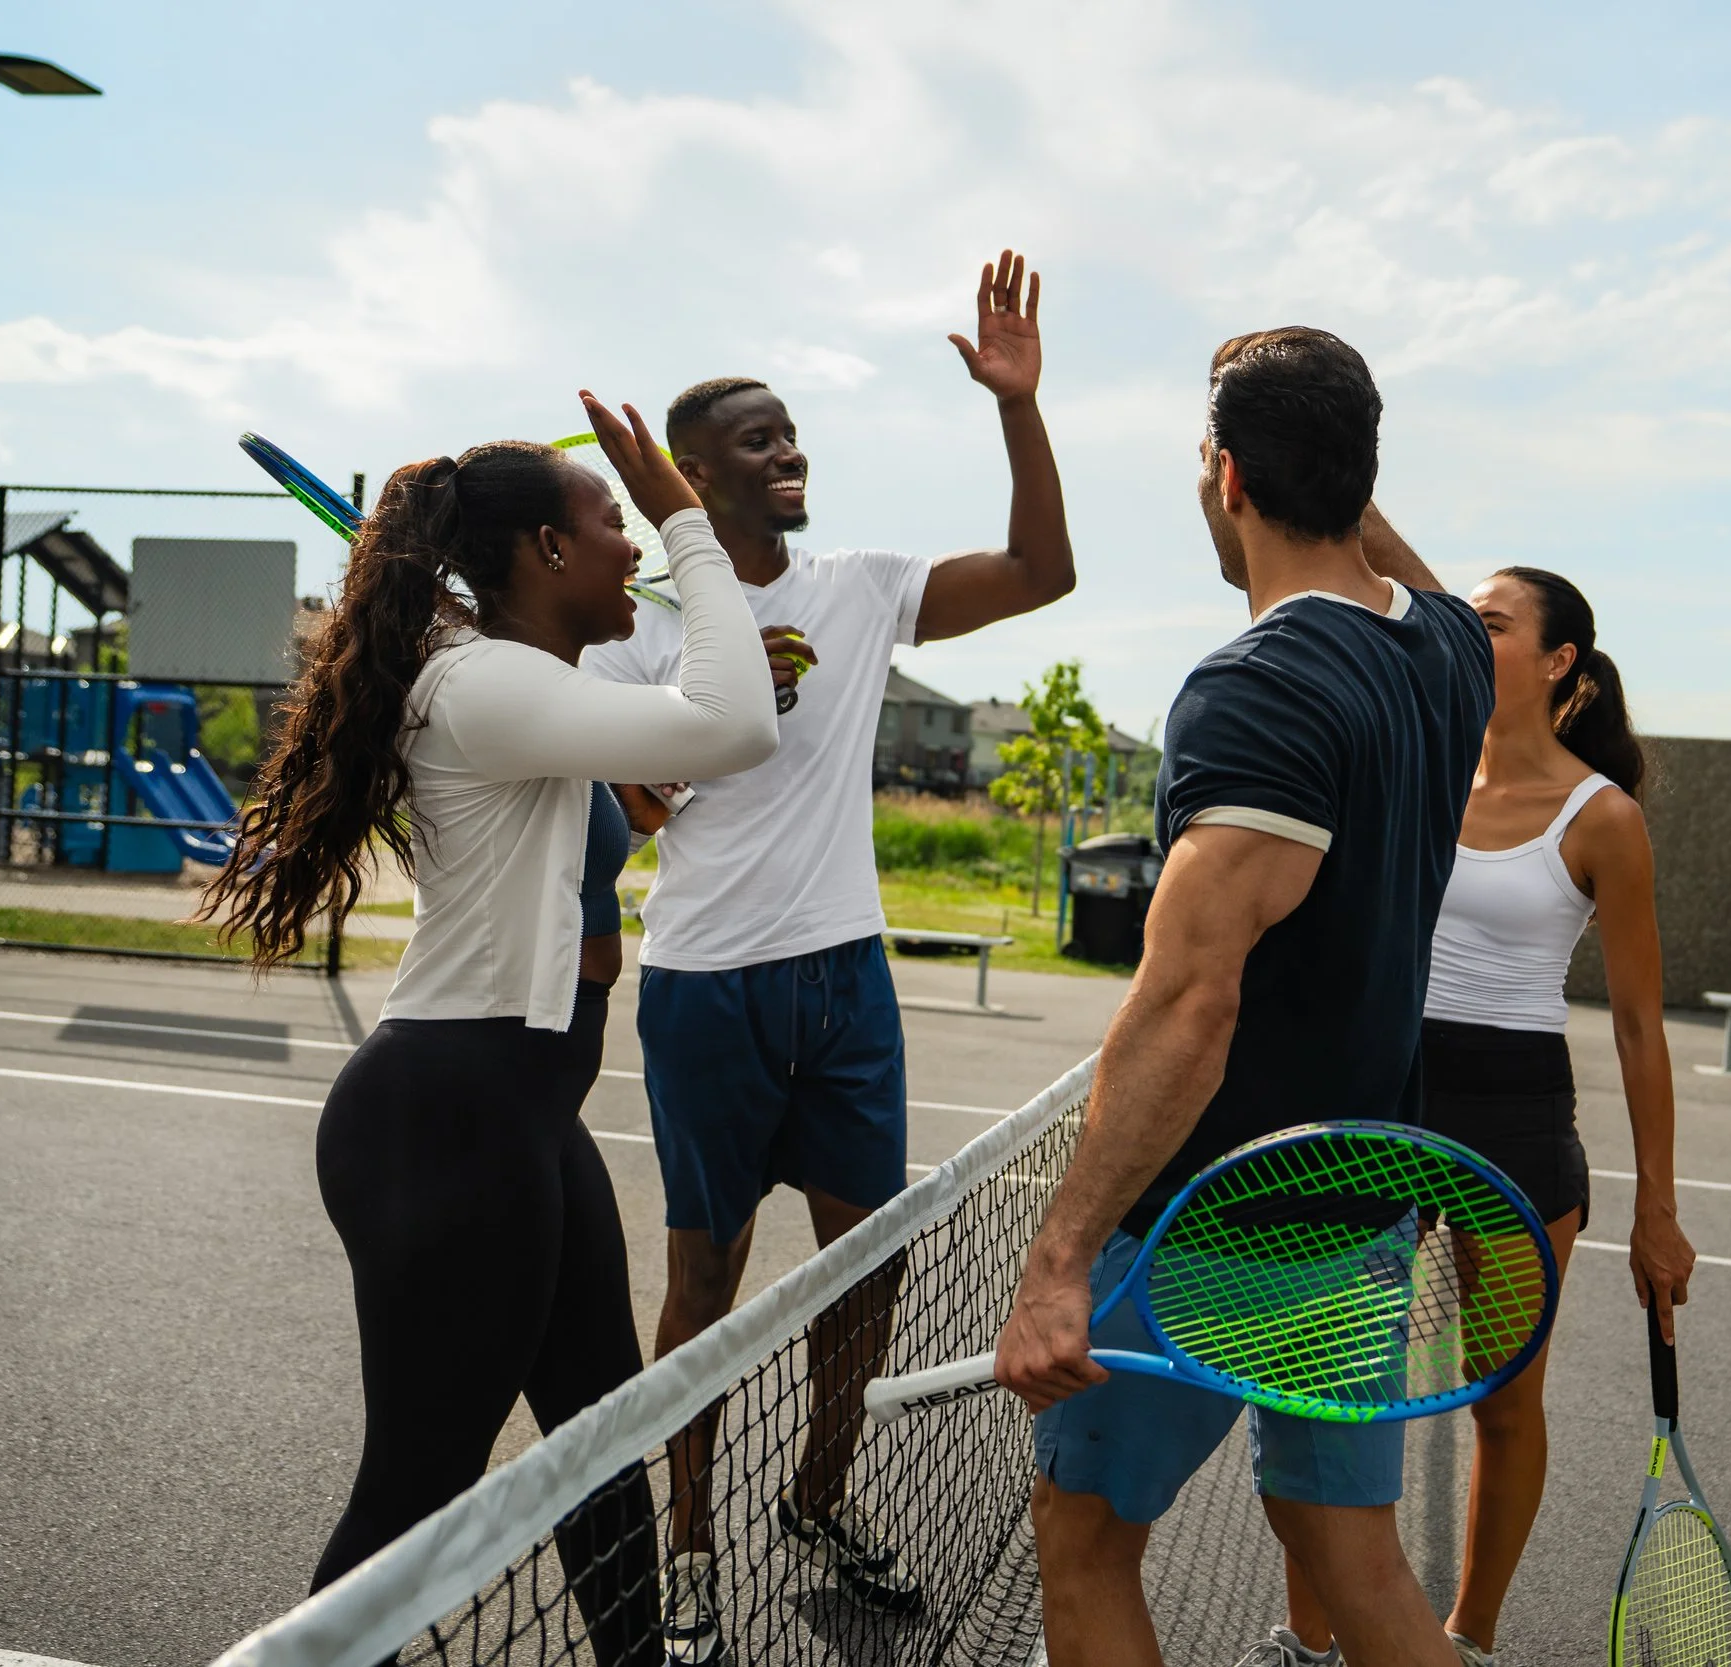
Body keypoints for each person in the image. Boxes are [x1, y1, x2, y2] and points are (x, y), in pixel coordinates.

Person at [200, 394, 781, 1665]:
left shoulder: (514, 686)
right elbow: (740, 719)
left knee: (595, 1436)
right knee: (417, 1496)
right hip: (450, 1118)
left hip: (518, 1115)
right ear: (547, 554)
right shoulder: (483, 685)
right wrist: (691, 519)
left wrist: (611, 785)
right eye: (612, 523)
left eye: (640, 525)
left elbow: (652, 750)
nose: (632, 544)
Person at [581, 249, 1075, 1664]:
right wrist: (691, 731)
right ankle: (687, 1543)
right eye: (761, 435)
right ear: (689, 474)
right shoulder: (640, 634)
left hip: (844, 975)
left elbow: (1048, 569)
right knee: (705, 1281)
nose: (792, 448)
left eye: (794, 428)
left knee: (869, 1274)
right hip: (708, 984)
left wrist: (1016, 407)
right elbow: (639, 802)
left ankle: (815, 1495)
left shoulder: (862, 587)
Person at [993, 326, 1494, 1667]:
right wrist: (1320, 420)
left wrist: (1060, 1262)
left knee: (1083, 1537)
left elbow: (1187, 1004)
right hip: (1360, 1208)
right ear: (1356, 475)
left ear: (1226, 478)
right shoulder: (1445, 656)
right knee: (1358, 1561)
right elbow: (1402, 573)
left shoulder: (1258, 688)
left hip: (1214, 1219)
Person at [1258, 569, 1700, 1667]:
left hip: (1516, 1122)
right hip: (1384, 1096)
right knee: (1331, 1392)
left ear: (1560, 663)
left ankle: (1471, 1639)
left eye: (1494, 622)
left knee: (1502, 1404)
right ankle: (1304, 1643)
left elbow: (1641, 1029)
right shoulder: (1423, 757)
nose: (1467, 627)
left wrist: (1658, 1212)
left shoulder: (1605, 816)